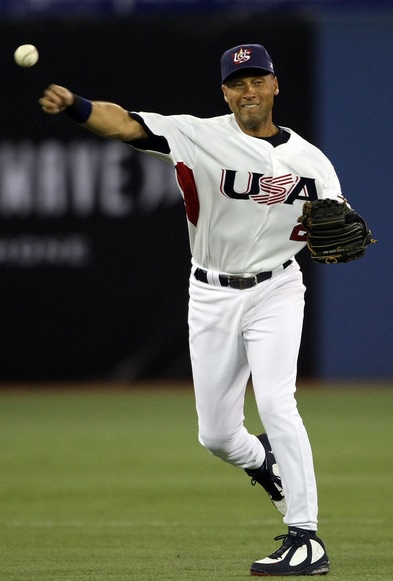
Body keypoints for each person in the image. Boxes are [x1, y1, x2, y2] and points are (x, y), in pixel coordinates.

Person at [39, 43, 336, 576]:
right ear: (225, 92)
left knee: (275, 400)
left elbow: (336, 229)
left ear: (275, 86)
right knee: (218, 436)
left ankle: (305, 536)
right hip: (212, 292)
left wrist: (339, 231)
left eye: (257, 80)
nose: (248, 90)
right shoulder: (196, 134)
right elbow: (125, 124)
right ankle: (263, 462)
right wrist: (79, 107)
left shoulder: (312, 163)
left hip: (277, 290)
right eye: (237, 82)